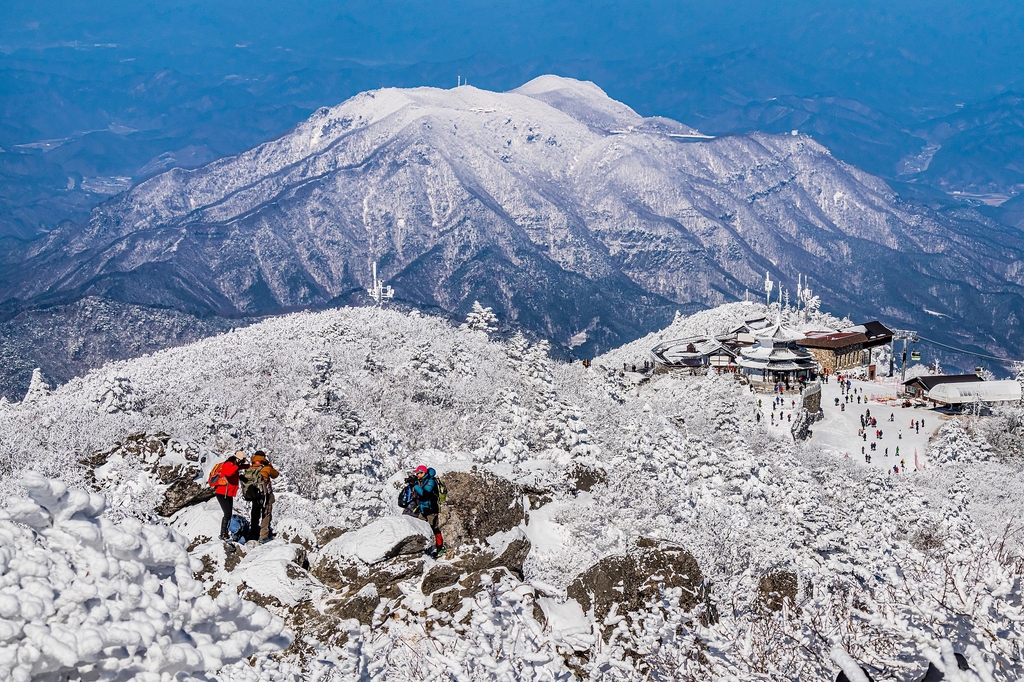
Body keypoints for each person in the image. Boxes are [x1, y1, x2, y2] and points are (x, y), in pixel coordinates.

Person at [213, 451, 249, 541]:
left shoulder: (235, 464)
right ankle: (223, 534)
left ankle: (225, 533)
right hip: (222, 493)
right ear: (237, 458)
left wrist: (244, 463)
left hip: (228, 493)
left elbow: (247, 466)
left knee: (229, 514)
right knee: (227, 514)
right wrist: (237, 465)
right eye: (241, 459)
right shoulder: (228, 464)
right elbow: (228, 473)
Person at [248, 451, 279, 543]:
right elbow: (276, 475)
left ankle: (253, 534)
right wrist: (270, 466)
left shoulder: (251, 467)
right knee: (266, 514)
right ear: (263, 458)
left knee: (255, 513)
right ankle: (263, 536)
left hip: (254, 495)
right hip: (265, 495)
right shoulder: (266, 468)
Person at [412, 465, 445, 554]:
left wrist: (414, 485)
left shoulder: (431, 481)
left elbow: (424, 493)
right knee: (420, 528)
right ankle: (424, 549)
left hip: (431, 510)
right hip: (423, 509)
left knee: (434, 529)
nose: (417, 475)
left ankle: (440, 548)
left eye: (418, 473)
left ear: (423, 473)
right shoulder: (423, 481)